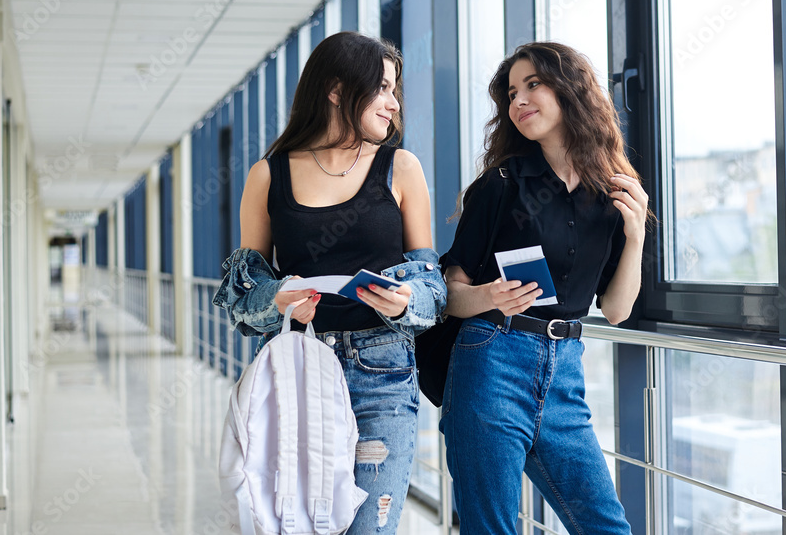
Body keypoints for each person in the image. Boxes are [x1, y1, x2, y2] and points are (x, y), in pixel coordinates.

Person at [213, 30, 446, 534]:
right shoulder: (268, 176)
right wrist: (277, 302)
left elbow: (433, 285)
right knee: (299, 523)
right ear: (338, 90)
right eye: (381, 88)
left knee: (370, 528)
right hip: (298, 369)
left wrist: (407, 301)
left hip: (382, 371)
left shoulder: (400, 169)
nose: (392, 102)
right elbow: (242, 296)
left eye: (395, 90)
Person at [439, 42, 648, 534]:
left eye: (533, 85)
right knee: (491, 527)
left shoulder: (612, 193)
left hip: (565, 372)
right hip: (490, 359)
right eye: (512, 92)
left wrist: (635, 236)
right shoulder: (500, 185)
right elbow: (448, 293)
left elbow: (616, 310)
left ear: (572, 90)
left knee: (606, 525)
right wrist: (489, 296)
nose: (519, 101)